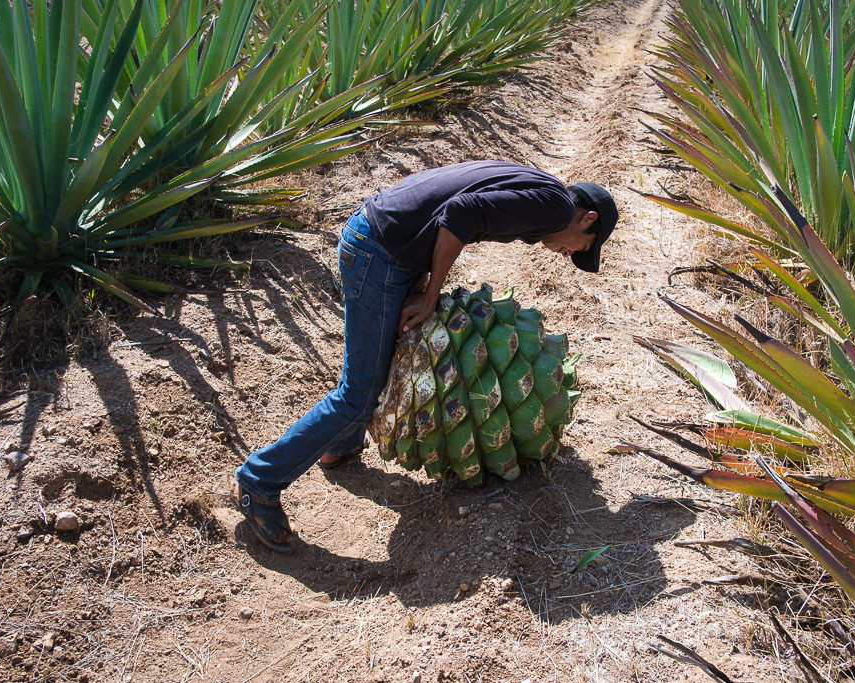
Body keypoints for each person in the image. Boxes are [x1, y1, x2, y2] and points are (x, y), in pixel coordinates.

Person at [231, 160, 618, 552]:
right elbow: (459, 214)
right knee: (360, 393)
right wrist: (432, 295)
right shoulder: (552, 208)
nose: (568, 254)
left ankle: (339, 444)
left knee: (375, 363)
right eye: (581, 247)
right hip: (380, 252)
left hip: (384, 241)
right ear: (587, 219)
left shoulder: (544, 189)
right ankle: (259, 482)